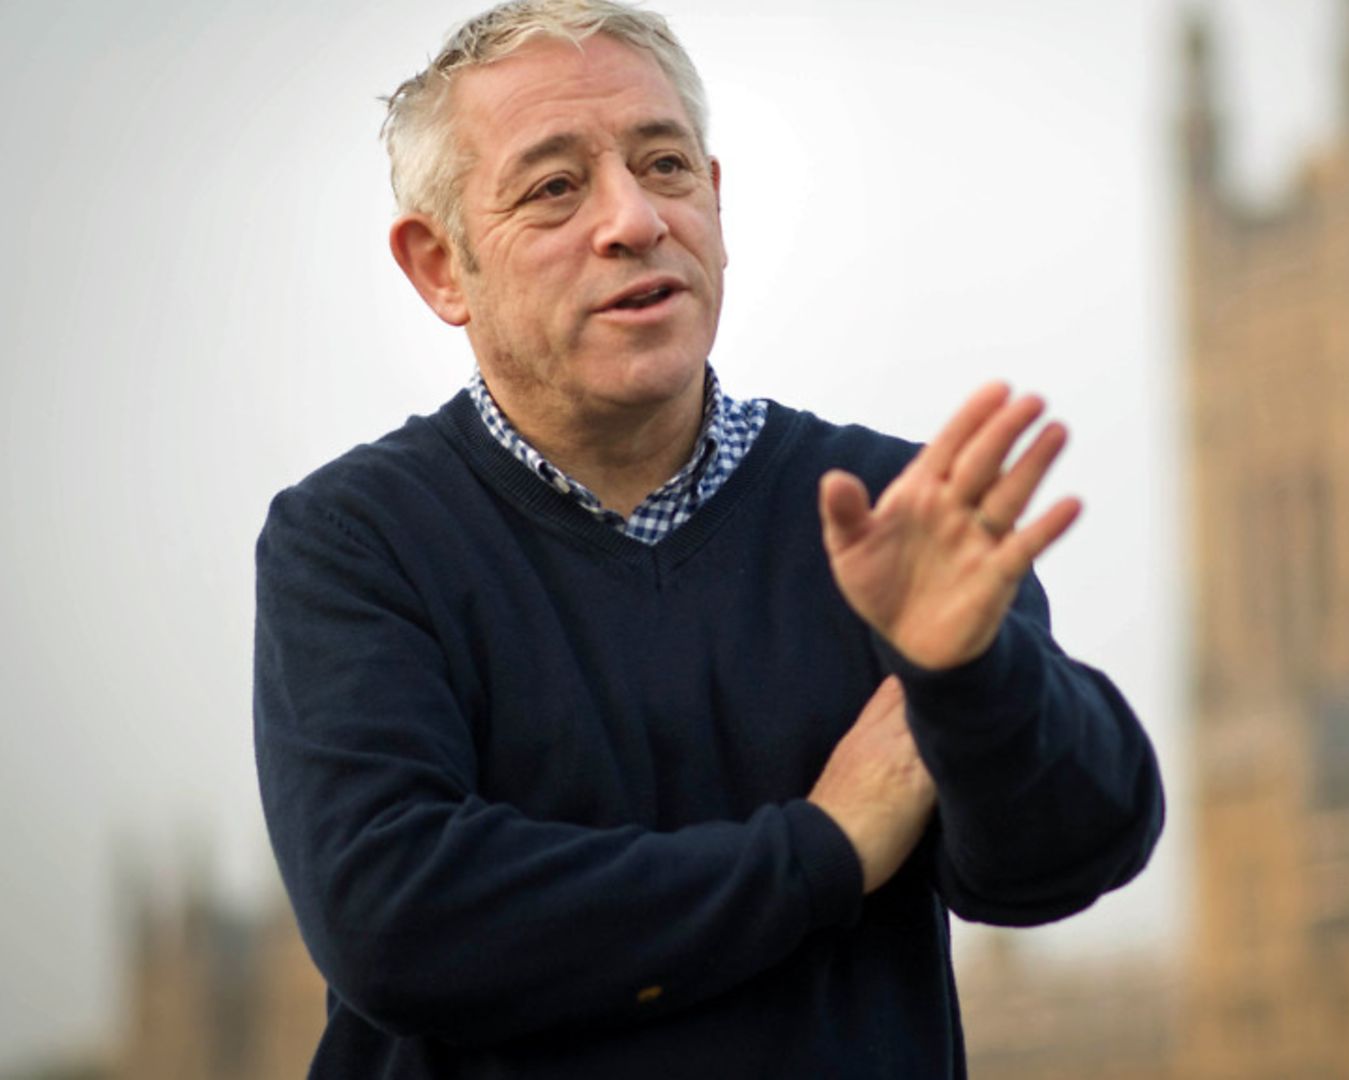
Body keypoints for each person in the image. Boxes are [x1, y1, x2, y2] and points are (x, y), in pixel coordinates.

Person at [252, 1, 1163, 1075]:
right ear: (440, 267)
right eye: (554, 187)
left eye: (666, 165)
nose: (633, 219)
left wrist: (974, 675)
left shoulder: (885, 514)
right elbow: (399, 920)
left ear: (716, 204)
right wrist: (822, 853)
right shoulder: (359, 542)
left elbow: (1062, 861)